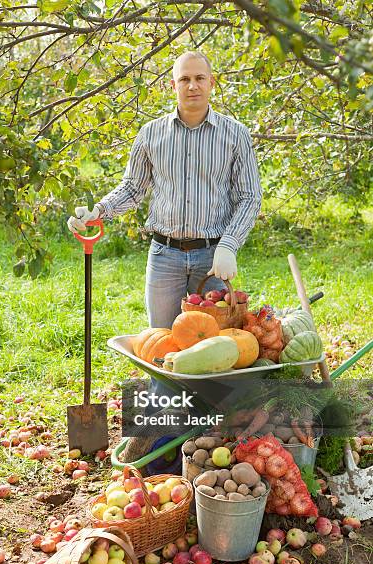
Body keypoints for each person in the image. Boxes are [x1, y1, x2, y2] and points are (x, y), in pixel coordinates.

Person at [68, 51, 262, 422]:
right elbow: (132, 189)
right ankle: (162, 440)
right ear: (172, 85)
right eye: (184, 79)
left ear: (212, 83)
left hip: (212, 258)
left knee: (215, 352)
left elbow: (250, 196)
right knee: (161, 349)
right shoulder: (151, 134)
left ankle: (207, 435)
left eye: (199, 78)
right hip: (165, 257)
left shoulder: (234, 135)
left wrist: (230, 244)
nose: (192, 85)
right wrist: (99, 211)